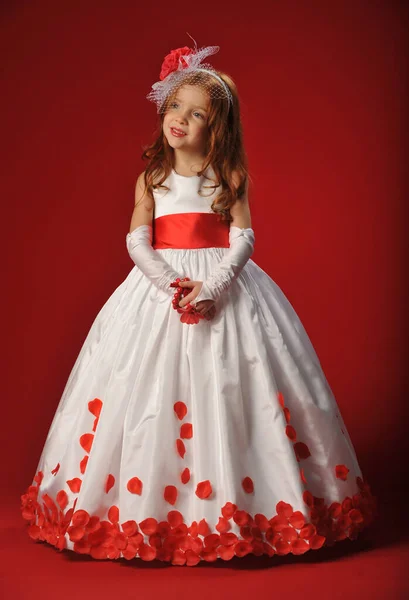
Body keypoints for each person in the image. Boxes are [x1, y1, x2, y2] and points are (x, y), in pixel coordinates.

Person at [20, 40, 377, 566]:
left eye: (196, 113)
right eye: (173, 107)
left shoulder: (227, 179)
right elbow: (137, 240)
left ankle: (238, 512)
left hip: (225, 288)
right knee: (145, 394)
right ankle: (152, 510)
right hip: (157, 291)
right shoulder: (152, 179)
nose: (179, 119)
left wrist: (214, 287)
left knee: (234, 385)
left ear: (218, 127)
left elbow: (245, 239)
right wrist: (170, 284)